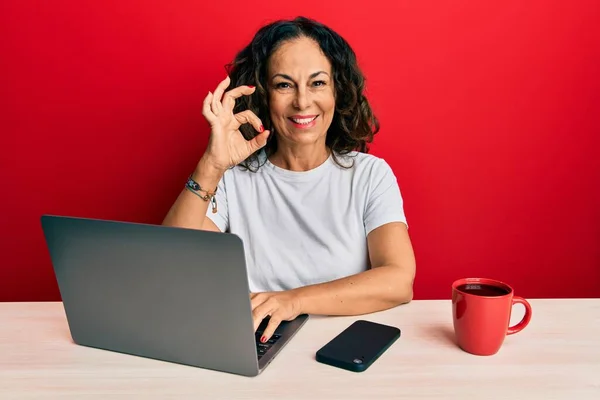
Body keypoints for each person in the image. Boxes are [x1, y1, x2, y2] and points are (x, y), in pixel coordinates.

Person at [163, 16, 416, 343]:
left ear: (337, 91)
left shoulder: (370, 175)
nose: (302, 101)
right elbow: (172, 265)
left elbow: (398, 281)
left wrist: (292, 301)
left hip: (341, 343)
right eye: (284, 84)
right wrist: (212, 165)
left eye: (317, 83)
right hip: (255, 342)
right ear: (264, 95)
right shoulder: (230, 178)